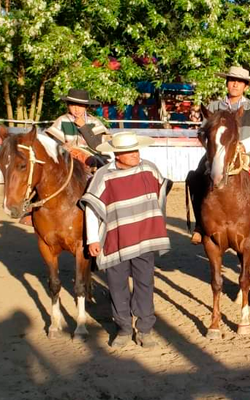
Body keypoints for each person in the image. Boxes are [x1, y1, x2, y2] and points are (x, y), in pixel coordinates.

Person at [81, 132, 171, 348]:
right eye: (130, 152)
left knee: (144, 283)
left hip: (145, 237)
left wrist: (157, 224)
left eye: (136, 150)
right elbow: (92, 209)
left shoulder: (149, 169)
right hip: (115, 239)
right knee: (117, 285)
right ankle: (123, 328)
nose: (135, 155)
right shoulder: (103, 176)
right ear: (117, 155)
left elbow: (161, 197)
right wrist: (92, 239)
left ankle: (145, 329)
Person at [189, 66, 250, 243]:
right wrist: (213, 149)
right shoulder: (214, 107)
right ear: (227, 83)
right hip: (218, 152)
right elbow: (202, 133)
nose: (235, 84)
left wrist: (241, 146)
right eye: (232, 80)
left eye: (240, 82)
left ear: (246, 86)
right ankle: (200, 223)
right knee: (197, 176)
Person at [46, 88, 109, 168]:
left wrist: (83, 126)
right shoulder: (61, 121)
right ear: (68, 105)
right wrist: (65, 147)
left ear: (86, 107)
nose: (77, 109)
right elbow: (53, 144)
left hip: (92, 160)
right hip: (68, 159)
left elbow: (97, 146)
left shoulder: (94, 122)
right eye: (73, 105)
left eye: (80, 105)